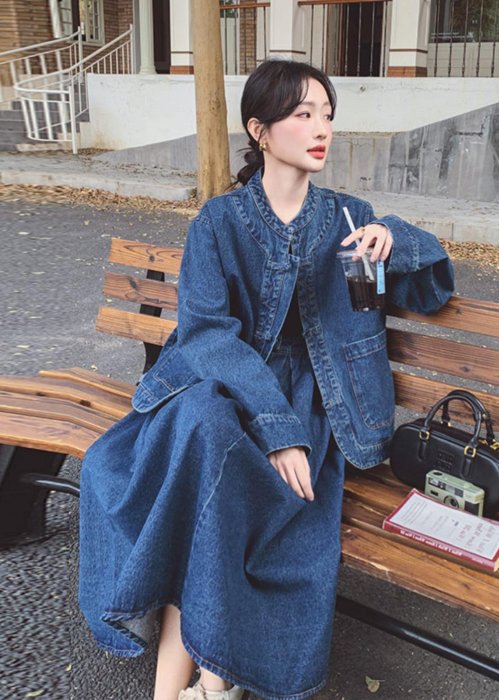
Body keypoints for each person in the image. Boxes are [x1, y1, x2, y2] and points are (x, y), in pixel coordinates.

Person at [78, 59, 454, 700]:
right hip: (225, 390)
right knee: (205, 429)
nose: (322, 129)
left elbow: (433, 290)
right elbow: (207, 335)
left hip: (317, 405)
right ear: (260, 129)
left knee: (211, 482)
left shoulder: (350, 217)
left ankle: (196, 686)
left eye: (327, 115)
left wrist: (394, 238)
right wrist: (277, 430)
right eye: (303, 114)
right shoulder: (219, 222)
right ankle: (207, 685)